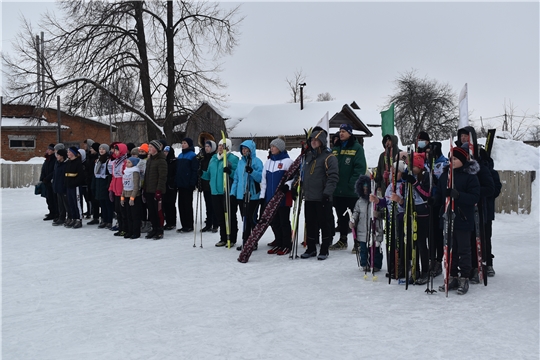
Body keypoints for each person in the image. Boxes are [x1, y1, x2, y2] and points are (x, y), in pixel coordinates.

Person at [437, 146, 481, 295]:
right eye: (450, 159)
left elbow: (475, 197)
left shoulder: (470, 176)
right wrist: (433, 201)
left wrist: (459, 195)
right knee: (450, 249)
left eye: (455, 159)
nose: (452, 161)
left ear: (462, 160)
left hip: (463, 218)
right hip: (448, 217)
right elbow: (439, 194)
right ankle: (452, 275)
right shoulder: (445, 176)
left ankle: (464, 277)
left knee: (464, 249)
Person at [455, 127, 495, 284]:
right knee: (466, 241)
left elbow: (491, 187)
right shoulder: (457, 162)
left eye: (467, 136)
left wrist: (475, 192)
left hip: (479, 209)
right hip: (462, 209)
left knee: (481, 238)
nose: (464, 138)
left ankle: (483, 265)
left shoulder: (481, 163)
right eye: (462, 136)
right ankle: (468, 268)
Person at [301, 127, 339, 260]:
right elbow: (303, 174)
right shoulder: (308, 156)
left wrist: (327, 193)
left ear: (322, 141)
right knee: (310, 223)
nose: (313, 142)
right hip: (310, 197)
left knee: (324, 224)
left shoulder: (329, 157)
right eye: (312, 140)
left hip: (322, 197)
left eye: (316, 140)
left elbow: (333, 177)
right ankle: (311, 248)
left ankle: (324, 249)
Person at [329, 123, 367, 251]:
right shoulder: (336, 148)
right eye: (340, 131)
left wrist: (353, 184)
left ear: (350, 133)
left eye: (344, 131)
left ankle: (357, 242)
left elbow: (360, 168)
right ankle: (343, 240)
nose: (341, 133)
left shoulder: (357, 148)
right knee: (341, 217)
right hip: (338, 190)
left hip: (351, 191)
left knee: (354, 217)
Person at [370, 160, 406, 279]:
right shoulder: (390, 186)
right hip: (391, 218)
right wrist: (377, 201)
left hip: (400, 218)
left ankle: (401, 267)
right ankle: (392, 266)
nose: (393, 175)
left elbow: (408, 204)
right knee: (391, 243)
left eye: (397, 172)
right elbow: (386, 201)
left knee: (400, 244)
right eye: (392, 173)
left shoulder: (404, 185)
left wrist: (400, 201)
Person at [202, 138, 240, 247]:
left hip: (227, 191)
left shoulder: (232, 159)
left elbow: (237, 175)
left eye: (222, 146)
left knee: (230, 215)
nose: (220, 147)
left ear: (227, 147)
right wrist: (201, 173)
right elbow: (209, 175)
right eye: (219, 145)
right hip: (215, 192)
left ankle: (231, 238)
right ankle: (223, 237)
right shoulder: (214, 158)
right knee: (220, 216)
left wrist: (230, 171)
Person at [261, 136, 294, 255]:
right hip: (270, 198)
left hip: (283, 198)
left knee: (284, 222)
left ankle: (286, 244)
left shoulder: (287, 161)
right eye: (271, 146)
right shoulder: (269, 162)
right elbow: (264, 181)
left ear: (280, 148)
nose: (271, 148)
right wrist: (262, 197)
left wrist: (288, 185)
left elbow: (294, 177)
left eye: (274, 146)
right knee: (274, 222)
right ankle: (278, 242)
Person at [402, 152, 431, 284]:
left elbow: (426, 195)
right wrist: (403, 179)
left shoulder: (425, 175)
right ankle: (415, 269)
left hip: (422, 211)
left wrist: (415, 183)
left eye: (413, 166)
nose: (410, 168)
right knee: (411, 242)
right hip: (410, 209)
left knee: (420, 242)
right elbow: (404, 191)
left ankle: (426, 270)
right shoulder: (410, 174)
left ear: (419, 167)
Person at [231, 139, 263, 251]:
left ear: (251, 150)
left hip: (253, 195)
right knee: (244, 218)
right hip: (241, 195)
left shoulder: (257, 162)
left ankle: (253, 241)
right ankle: (246, 240)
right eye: (243, 149)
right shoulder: (240, 162)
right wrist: (233, 193)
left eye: (246, 149)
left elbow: (260, 178)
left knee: (252, 219)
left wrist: (252, 172)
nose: (244, 151)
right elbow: (236, 178)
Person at [350, 175, 383, 271]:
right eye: (363, 188)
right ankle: (364, 264)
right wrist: (353, 221)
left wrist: (379, 214)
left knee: (376, 249)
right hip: (362, 230)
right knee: (363, 249)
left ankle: (376, 264)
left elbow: (385, 213)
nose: (365, 190)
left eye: (366, 188)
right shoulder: (359, 202)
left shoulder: (377, 201)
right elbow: (356, 212)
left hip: (375, 230)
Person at [144, 140, 168, 240]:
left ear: (157, 149)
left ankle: (159, 229)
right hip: (149, 189)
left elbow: (162, 177)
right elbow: (146, 175)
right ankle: (154, 228)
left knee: (158, 211)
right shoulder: (149, 160)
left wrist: (159, 190)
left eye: (151, 147)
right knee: (151, 211)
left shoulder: (161, 160)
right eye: (148, 147)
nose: (149, 149)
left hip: (157, 190)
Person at [175, 138, 198, 233]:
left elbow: (194, 171)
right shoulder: (180, 155)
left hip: (188, 184)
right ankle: (184, 224)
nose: (183, 145)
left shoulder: (192, 156)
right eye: (182, 143)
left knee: (187, 204)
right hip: (180, 183)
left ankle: (189, 224)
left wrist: (193, 183)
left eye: (185, 143)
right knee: (181, 204)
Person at [108, 143, 129, 237]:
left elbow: (126, 176)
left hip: (122, 189)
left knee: (123, 210)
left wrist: (125, 189)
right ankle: (121, 228)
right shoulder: (115, 162)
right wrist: (111, 189)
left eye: (117, 150)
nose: (115, 152)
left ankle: (125, 228)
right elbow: (113, 176)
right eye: (115, 150)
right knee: (118, 210)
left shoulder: (125, 162)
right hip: (116, 188)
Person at [92, 143, 114, 229]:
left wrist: (108, 185)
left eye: (103, 149)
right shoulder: (98, 160)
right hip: (99, 182)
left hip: (105, 182)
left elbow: (110, 173)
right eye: (100, 149)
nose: (101, 150)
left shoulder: (108, 160)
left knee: (108, 204)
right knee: (102, 203)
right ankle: (104, 219)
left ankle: (109, 220)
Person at [199, 140, 218, 232]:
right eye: (206, 146)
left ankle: (215, 223)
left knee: (214, 205)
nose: (206, 148)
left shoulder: (214, 158)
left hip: (213, 185)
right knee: (208, 205)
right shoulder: (203, 157)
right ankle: (208, 223)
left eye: (208, 146)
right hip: (205, 184)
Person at [121, 157, 142, 239]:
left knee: (135, 215)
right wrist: (122, 197)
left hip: (134, 196)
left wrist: (132, 197)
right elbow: (124, 185)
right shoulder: (126, 171)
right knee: (128, 215)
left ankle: (136, 232)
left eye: (129, 162)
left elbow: (136, 186)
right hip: (126, 194)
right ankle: (129, 231)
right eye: (127, 162)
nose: (127, 164)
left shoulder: (135, 172)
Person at [64, 147, 86, 229]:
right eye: (68, 152)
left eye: (69, 152)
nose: (68, 153)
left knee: (77, 202)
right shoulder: (68, 162)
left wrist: (74, 183)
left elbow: (81, 176)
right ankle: (73, 217)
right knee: (71, 202)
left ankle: (78, 219)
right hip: (68, 186)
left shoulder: (78, 162)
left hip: (75, 186)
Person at [40, 143, 58, 221]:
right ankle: (51, 211)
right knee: (48, 198)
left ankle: (55, 213)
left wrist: (48, 178)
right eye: (48, 149)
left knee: (53, 198)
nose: (49, 151)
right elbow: (44, 169)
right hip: (46, 181)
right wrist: (42, 178)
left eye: (50, 150)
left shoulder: (55, 159)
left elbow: (54, 171)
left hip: (51, 181)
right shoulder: (47, 159)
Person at [51, 148, 69, 226]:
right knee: (60, 204)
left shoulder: (66, 164)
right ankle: (61, 217)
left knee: (66, 204)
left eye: (58, 155)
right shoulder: (57, 163)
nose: (57, 156)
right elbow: (55, 175)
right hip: (57, 186)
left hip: (64, 186)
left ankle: (69, 217)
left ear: (62, 156)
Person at [162, 146, 178, 231]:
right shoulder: (164, 161)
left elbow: (176, 173)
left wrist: (172, 181)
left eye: (166, 152)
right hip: (164, 185)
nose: (165, 153)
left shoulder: (174, 161)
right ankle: (168, 222)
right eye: (164, 151)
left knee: (171, 204)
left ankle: (172, 222)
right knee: (165, 204)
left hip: (171, 186)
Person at [137, 143, 151, 233]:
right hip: (139, 185)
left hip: (147, 185)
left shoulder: (148, 161)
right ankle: (142, 221)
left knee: (147, 205)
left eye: (143, 152)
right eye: (140, 151)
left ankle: (149, 223)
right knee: (141, 206)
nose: (141, 153)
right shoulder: (138, 161)